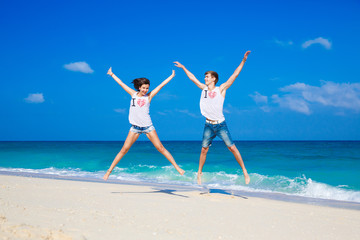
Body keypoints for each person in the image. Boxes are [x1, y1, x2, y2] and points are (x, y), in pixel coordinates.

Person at [174, 51, 251, 185]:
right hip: (208, 125)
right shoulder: (203, 89)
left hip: (220, 125)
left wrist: (243, 61)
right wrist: (184, 68)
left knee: (232, 148)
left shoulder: (221, 89)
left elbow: (235, 75)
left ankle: (244, 170)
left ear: (214, 79)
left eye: (208, 77)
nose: (205, 79)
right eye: (205, 77)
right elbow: (192, 78)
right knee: (204, 149)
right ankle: (199, 173)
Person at [103, 67, 185, 180]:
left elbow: (161, 86)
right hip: (135, 128)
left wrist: (171, 76)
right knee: (124, 150)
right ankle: (109, 171)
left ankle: (177, 168)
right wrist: (112, 74)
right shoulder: (133, 95)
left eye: (147, 88)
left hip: (148, 127)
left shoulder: (149, 96)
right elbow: (121, 83)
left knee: (160, 148)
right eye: (144, 88)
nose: (145, 90)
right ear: (139, 87)